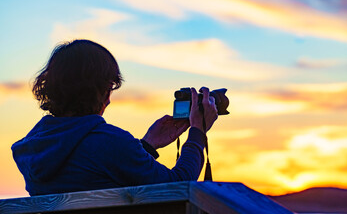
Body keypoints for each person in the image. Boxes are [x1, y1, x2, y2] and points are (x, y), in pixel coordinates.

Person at [11, 39, 218, 196]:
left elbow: (94, 171)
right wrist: (198, 132)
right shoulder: (109, 142)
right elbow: (178, 187)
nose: (109, 100)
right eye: (109, 88)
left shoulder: (32, 148)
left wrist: (146, 145)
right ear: (97, 90)